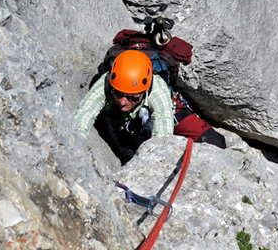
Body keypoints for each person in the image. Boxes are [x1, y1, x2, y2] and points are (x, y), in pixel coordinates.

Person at [75, 49, 224, 164]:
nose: (122, 102)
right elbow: (85, 113)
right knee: (128, 154)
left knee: (215, 143)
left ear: (145, 89)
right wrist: (74, 145)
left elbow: (162, 139)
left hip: (167, 109)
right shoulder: (107, 82)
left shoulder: (158, 91)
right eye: (118, 94)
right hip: (125, 120)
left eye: (132, 97)